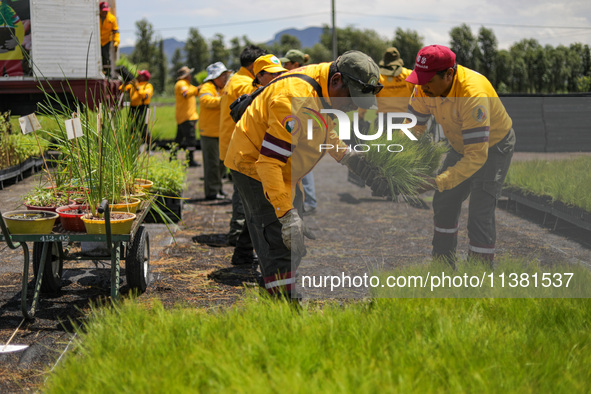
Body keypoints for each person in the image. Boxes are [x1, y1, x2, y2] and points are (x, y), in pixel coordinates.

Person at [224, 50, 383, 298]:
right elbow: (269, 163)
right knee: (278, 237)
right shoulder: (294, 99)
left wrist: (348, 156)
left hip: (285, 167)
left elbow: (323, 126)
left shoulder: (324, 85)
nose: (353, 106)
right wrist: (286, 216)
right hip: (253, 163)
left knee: (293, 239)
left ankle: (273, 287)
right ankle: (285, 308)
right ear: (337, 80)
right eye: (352, 99)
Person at [405, 44, 515, 266]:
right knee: (445, 201)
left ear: (448, 75)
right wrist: (396, 162)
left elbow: (476, 156)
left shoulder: (472, 95)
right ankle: (443, 267)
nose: (421, 85)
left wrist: (436, 181)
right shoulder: (423, 88)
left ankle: (479, 276)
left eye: (427, 80)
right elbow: (412, 130)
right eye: (419, 78)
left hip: (493, 147)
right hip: (460, 145)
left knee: (479, 213)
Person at [218, 45, 266, 266]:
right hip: (239, 146)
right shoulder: (246, 84)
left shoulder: (233, 80)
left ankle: (240, 237)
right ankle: (238, 236)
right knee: (244, 195)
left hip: (230, 142)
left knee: (241, 193)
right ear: (254, 66)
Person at [349, 47, 415, 189]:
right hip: (405, 121)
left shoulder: (379, 77)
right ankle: (399, 184)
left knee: (382, 154)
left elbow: (367, 99)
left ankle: (382, 185)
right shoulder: (409, 75)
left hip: (383, 121)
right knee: (401, 152)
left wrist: (360, 117)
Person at [280, 49, 316, 214]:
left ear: (295, 64)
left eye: (287, 63)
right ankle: (304, 202)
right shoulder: (300, 76)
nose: (284, 65)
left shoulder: (300, 78)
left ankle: (309, 202)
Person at [199, 61, 231, 200]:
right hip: (209, 133)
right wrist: (225, 100)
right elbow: (206, 101)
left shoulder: (222, 88)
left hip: (221, 132)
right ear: (214, 77)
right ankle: (212, 192)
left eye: (226, 75)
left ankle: (218, 188)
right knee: (212, 164)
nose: (225, 78)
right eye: (222, 75)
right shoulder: (207, 87)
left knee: (222, 163)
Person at [174, 65, 200, 167]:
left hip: (185, 117)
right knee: (191, 139)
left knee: (178, 139)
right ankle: (190, 160)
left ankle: (172, 157)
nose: (191, 76)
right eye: (189, 74)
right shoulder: (181, 84)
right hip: (187, 117)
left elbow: (196, 91)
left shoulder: (188, 85)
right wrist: (198, 88)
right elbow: (186, 94)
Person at [122, 69, 153, 141]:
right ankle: (134, 144)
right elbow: (122, 89)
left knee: (142, 128)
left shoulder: (148, 86)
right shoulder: (133, 85)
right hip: (132, 108)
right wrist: (126, 83)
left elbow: (145, 96)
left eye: (140, 75)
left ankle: (148, 146)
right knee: (130, 127)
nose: (138, 76)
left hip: (142, 108)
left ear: (144, 77)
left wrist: (137, 87)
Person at [0, 0, 25, 76]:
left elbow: (20, 29)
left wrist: (16, 41)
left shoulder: (7, 9)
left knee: (17, 81)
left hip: (13, 58)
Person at [99, 1, 119, 74]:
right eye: (103, 11)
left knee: (106, 57)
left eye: (106, 11)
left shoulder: (112, 19)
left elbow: (115, 31)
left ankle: (108, 74)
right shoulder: (96, 17)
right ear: (99, 10)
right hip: (97, 41)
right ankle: (99, 72)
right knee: (98, 58)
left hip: (106, 41)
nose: (105, 13)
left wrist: (116, 42)